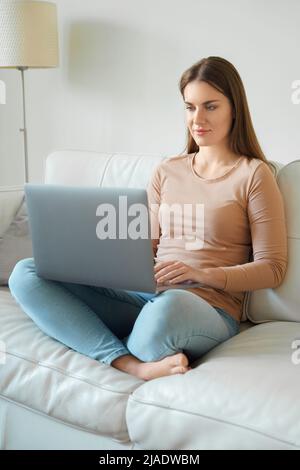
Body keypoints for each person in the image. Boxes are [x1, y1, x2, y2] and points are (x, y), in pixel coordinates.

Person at [8, 56, 288, 381]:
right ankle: (128, 362)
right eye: (190, 107)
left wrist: (204, 274)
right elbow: (146, 245)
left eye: (210, 106)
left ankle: (108, 340)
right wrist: (104, 262)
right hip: (147, 296)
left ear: (234, 109)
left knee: (168, 309)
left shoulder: (254, 174)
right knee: (26, 273)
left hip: (202, 307)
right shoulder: (168, 170)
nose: (197, 118)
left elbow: (273, 268)